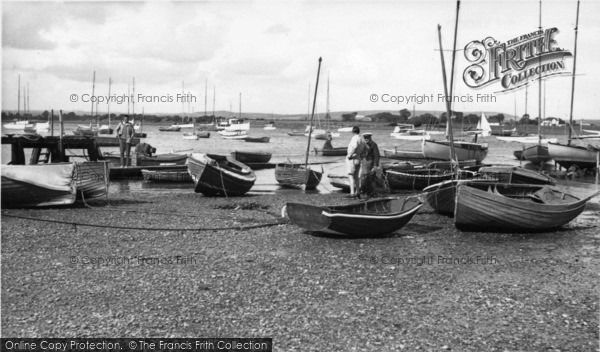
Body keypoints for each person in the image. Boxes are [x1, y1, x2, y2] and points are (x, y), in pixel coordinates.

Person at [346, 126, 367, 197]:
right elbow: (367, 149)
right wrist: (362, 155)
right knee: (356, 177)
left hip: (352, 159)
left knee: (351, 176)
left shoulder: (355, 138)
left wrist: (350, 155)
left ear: (353, 131)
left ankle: (352, 193)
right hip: (358, 158)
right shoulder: (362, 139)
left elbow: (354, 147)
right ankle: (357, 192)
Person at [360, 132, 381, 198]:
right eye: (365, 138)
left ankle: (369, 193)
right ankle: (365, 192)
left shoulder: (374, 145)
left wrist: (375, 166)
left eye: (367, 138)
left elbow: (377, 156)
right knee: (363, 177)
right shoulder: (363, 144)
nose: (366, 139)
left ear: (370, 137)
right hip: (364, 162)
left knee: (369, 177)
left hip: (370, 162)